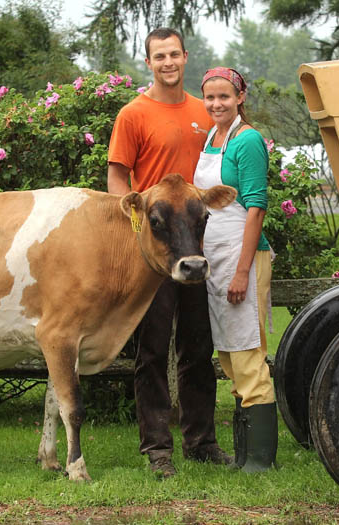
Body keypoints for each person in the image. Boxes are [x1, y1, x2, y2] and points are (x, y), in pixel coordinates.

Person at [107, 28, 233, 478]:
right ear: (148, 62)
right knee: (152, 350)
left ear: (185, 57)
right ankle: (157, 449)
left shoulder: (205, 112)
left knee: (199, 347)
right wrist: (138, 226)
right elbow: (117, 180)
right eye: (159, 56)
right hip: (157, 250)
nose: (168, 62)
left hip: (195, 244)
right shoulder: (133, 114)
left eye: (174, 54)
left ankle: (201, 443)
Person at [193, 67, 277, 472]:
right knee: (228, 356)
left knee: (247, 353)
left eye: (224, 97)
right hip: (217, 259)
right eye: (210, 98)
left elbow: (256, 207)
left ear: (240, 97)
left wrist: (243, 271)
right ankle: (244, 455)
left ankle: (260, 460)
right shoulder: (213, 137)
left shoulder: (248, 142)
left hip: (242, 257)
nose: (216, 104)